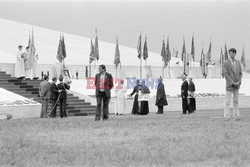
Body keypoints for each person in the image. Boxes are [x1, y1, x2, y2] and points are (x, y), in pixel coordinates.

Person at [223, 48, 243, 120]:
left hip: (237, 85)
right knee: (227, 102)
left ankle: (236, 115)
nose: (231, 54)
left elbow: (240, 73)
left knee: (236, 101)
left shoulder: (238, 62)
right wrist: (232, 83)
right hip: (229, 85)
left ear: (235, 54)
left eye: (232, 53)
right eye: (230, 53)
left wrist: (239, 82)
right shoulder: (226, 63)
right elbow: (226, 74)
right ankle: (227, 116)